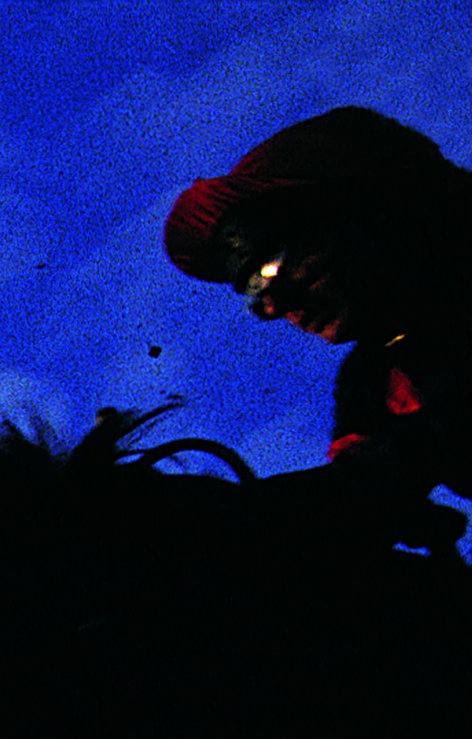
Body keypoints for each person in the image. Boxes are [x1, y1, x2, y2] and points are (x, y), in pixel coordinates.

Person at [164, 107, 472, 525]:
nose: (272, 306)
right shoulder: (368, 384)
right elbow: (351, 489)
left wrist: (406, 458)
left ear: (356, 221)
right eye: (252, 289)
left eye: (271, 265)